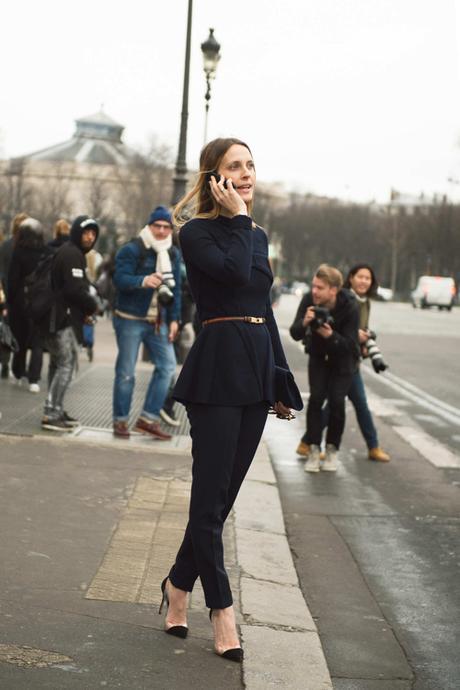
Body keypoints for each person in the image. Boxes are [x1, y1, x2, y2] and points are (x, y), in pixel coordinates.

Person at [160, 138, 300, 662]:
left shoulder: (256, 234)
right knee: (208, 497)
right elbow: (235, 275)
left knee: (220, 501)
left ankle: (177, 583)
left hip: (255, 368)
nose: (246, 174)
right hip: (217, 371)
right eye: (233, 168)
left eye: (250, 165)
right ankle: (221, 609)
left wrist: (280, 379)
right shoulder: (196, 232)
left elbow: (262, 306)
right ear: (213, 178)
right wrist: (239, 218)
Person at [112, 206, 181, 440]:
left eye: (166, 227)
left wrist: (174, 319)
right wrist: (143, 280)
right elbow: (119, 279)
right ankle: (120, 421)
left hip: (158, 321)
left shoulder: (172, 253)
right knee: (126, 373)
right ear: (149, 226)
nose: (161, 231)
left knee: (168, 367)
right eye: (157, 226)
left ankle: (148, 418)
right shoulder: (132, 249)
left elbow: (176, 289)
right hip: (130, 318)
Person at [290, 264, 360, 473]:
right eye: (313, 286)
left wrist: (330, 336)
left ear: (334, 290)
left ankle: (332, 450)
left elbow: (350, 344)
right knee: (316, 399)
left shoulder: (350, 306)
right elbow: (295, 333)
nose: (314, 292)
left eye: (320, 288)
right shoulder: (309, 301)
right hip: (319, 356)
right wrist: (305, 322)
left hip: (344, 360)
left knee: (337, 402)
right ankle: (313, 449)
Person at [41, 215, 99, 431]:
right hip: (61, 318)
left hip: (54, 317)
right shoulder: (72, 254)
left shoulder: (71, 252)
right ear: (76, 232)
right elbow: (74, 289)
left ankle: (55, 407)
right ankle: (51, 412)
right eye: (86, 232)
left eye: (93, 233)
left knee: (57, 364)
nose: (90, 237)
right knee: (67, 364)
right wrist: (92, 306)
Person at [341, 264, 390, 461]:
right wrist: (356, 336)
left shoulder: (365, 301)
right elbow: (338, 325)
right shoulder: (345, 298)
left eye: (367, 278)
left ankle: (373, 446)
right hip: (341, 359)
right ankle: (373, 446)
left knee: (355, 403)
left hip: (353, 358)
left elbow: (363, 328)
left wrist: (364, 344)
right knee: (344, 404)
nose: (363, 281)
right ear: (351, 278)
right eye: (360, 277)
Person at [7, 218, 49, 392]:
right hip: (40, 303)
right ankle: (34, 378)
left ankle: (18, 371)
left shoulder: (19, 252)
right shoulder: (45, 252)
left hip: (20, 304)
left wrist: (10, 301)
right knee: (37, 341)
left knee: (20, 339)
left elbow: (13, 280)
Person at [0, 212, 29, 378]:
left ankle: (5, 362)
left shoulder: (5, 246)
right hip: (23, 297)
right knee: (22, 333)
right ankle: (19, 367)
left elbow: (2, 272)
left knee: (6, 330)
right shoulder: (29, 247)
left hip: (8, 295)